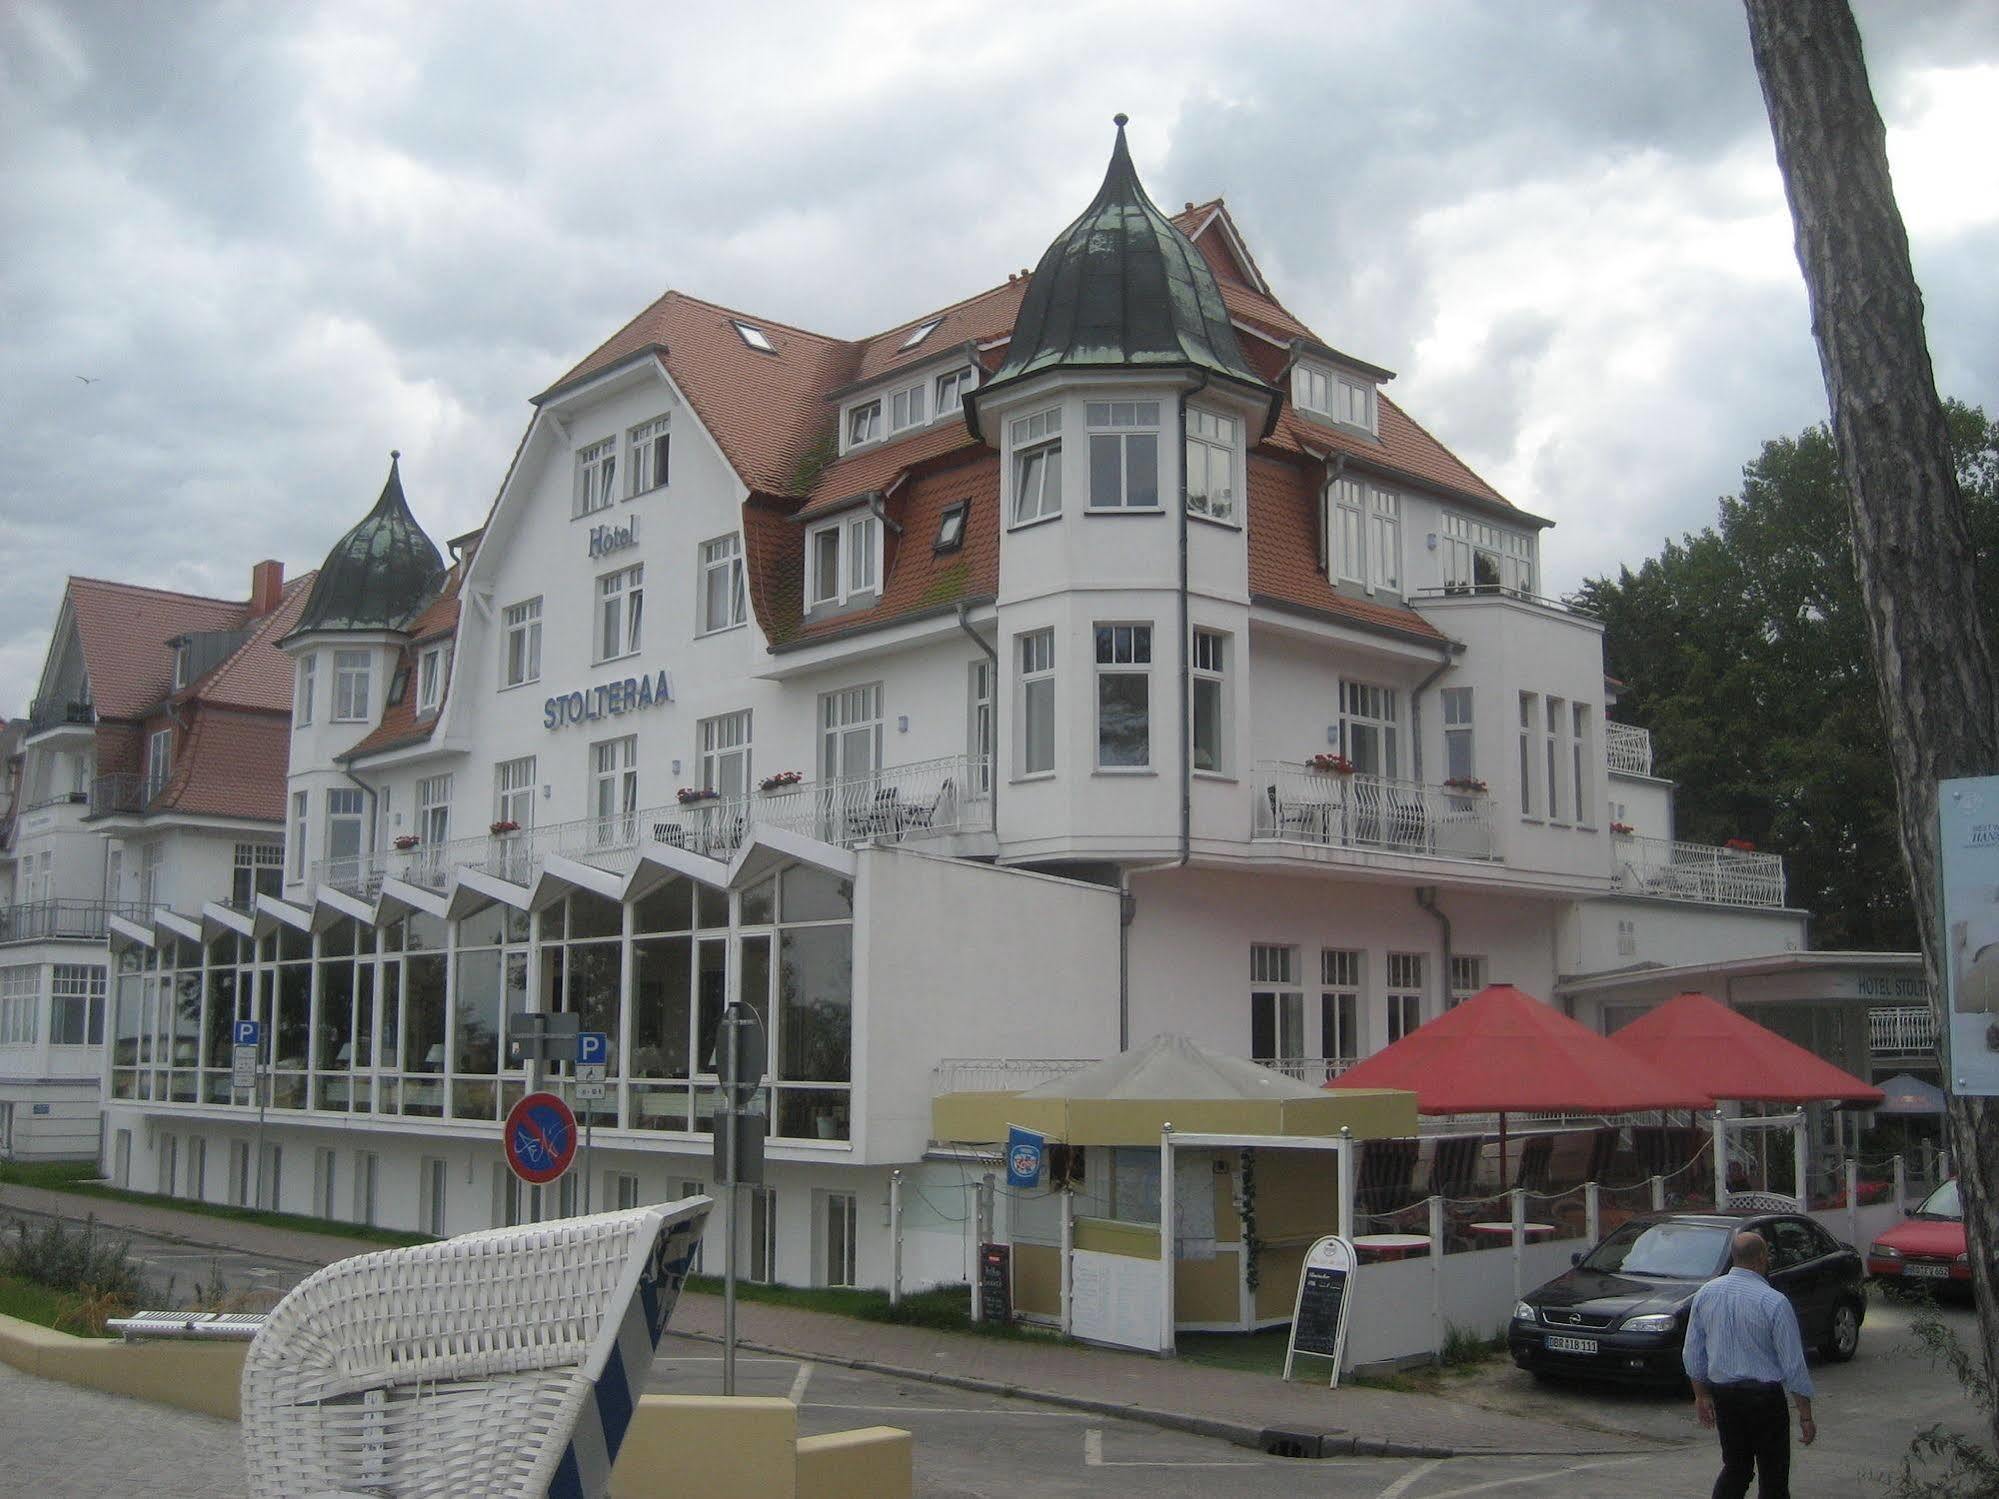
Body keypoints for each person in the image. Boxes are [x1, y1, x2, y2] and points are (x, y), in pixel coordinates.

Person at [1683, 1229, 1815, 1499]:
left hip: (1726, 1397)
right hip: (1765, 1399)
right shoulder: (1774, 1302)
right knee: (1773, 1474)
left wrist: (1701, 1395)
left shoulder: (1707, 1293)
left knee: (1736, 1468)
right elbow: (1793, 1365)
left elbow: (1693, 1350)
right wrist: (1805, 1414)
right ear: (1761, 1258)